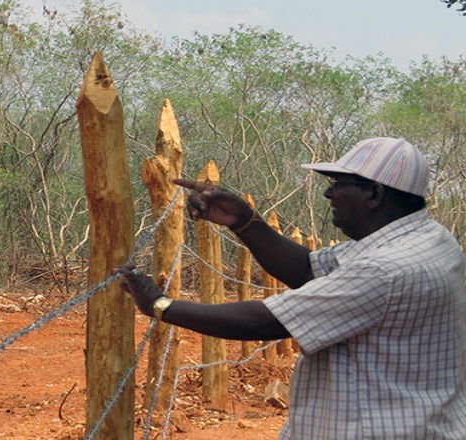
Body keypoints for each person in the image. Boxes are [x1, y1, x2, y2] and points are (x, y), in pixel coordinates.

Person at [116, 137, 466, 439]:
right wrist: (243, 220)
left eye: (338, 182)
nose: (329, 191)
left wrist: (160, 305)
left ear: (374, 194)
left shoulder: (388, 267)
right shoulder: (426, 239)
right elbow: (307, 269)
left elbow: (268, 322)